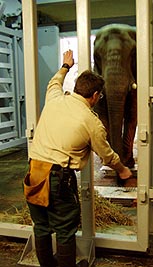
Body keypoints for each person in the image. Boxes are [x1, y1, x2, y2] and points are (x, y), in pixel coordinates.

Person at [24, 50, 133, 267]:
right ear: (95, 96)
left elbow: (54, 82)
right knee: (65, 229)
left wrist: (66, 65)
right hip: (58, 178)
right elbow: (107, 155)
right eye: (99, 96)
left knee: (41, 225)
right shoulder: (91, 122)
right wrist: (122, 170)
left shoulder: (54, 98)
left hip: (34, 171)